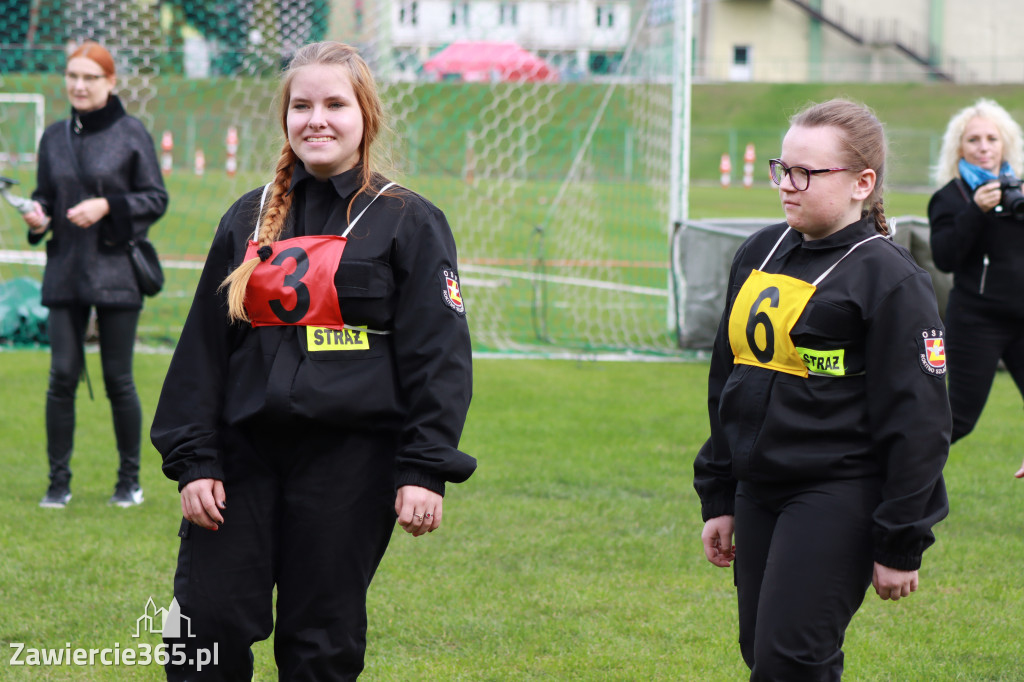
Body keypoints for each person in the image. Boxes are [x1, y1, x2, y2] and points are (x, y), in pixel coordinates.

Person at [150, 41, 475, 680]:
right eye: (302, 105)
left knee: (319, 644)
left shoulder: (408, 220)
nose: (316, 119)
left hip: (350, 464)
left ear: (366, 117)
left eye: (334, 104)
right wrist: (194, 460)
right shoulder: (247, 218)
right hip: (239, 462)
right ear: (285, 118)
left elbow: (438, 358)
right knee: (202, 626)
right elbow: (203, 353)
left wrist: (424, 469)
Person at [693, 99, 950, 680]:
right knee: (761, 651)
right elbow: (726, 379)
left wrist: (901, 538)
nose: (788, 185)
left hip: (839, 491)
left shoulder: (890, 278)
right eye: (783, 169)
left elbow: (920, 421)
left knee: (791, 661)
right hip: (760, 489)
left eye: (807, 173)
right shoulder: (760, 251)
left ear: (863, 183)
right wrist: (720, 492)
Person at [22, 40, 168, 509]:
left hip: (116, 273)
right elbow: (45, 194)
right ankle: (57, 484)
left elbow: (155, 197)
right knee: (61, 376)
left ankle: (129, 483)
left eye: (90, 77)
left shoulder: (131, 133)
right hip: (65, 269)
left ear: (110, 82)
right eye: (73, 77)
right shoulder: (53, 137)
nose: (79, 86)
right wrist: (38, 215)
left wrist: (109, 205)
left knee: (117, 380)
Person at [928, 98, 1024, 477]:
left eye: (991, 139)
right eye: (973, 140)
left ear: (1005, 144)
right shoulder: (951, 198)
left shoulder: (1019, 190)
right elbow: (945, 258)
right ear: (959, 148)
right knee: (959, 419)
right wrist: (976, 212)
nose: (984, 147)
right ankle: (891, 471)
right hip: (977, 320)